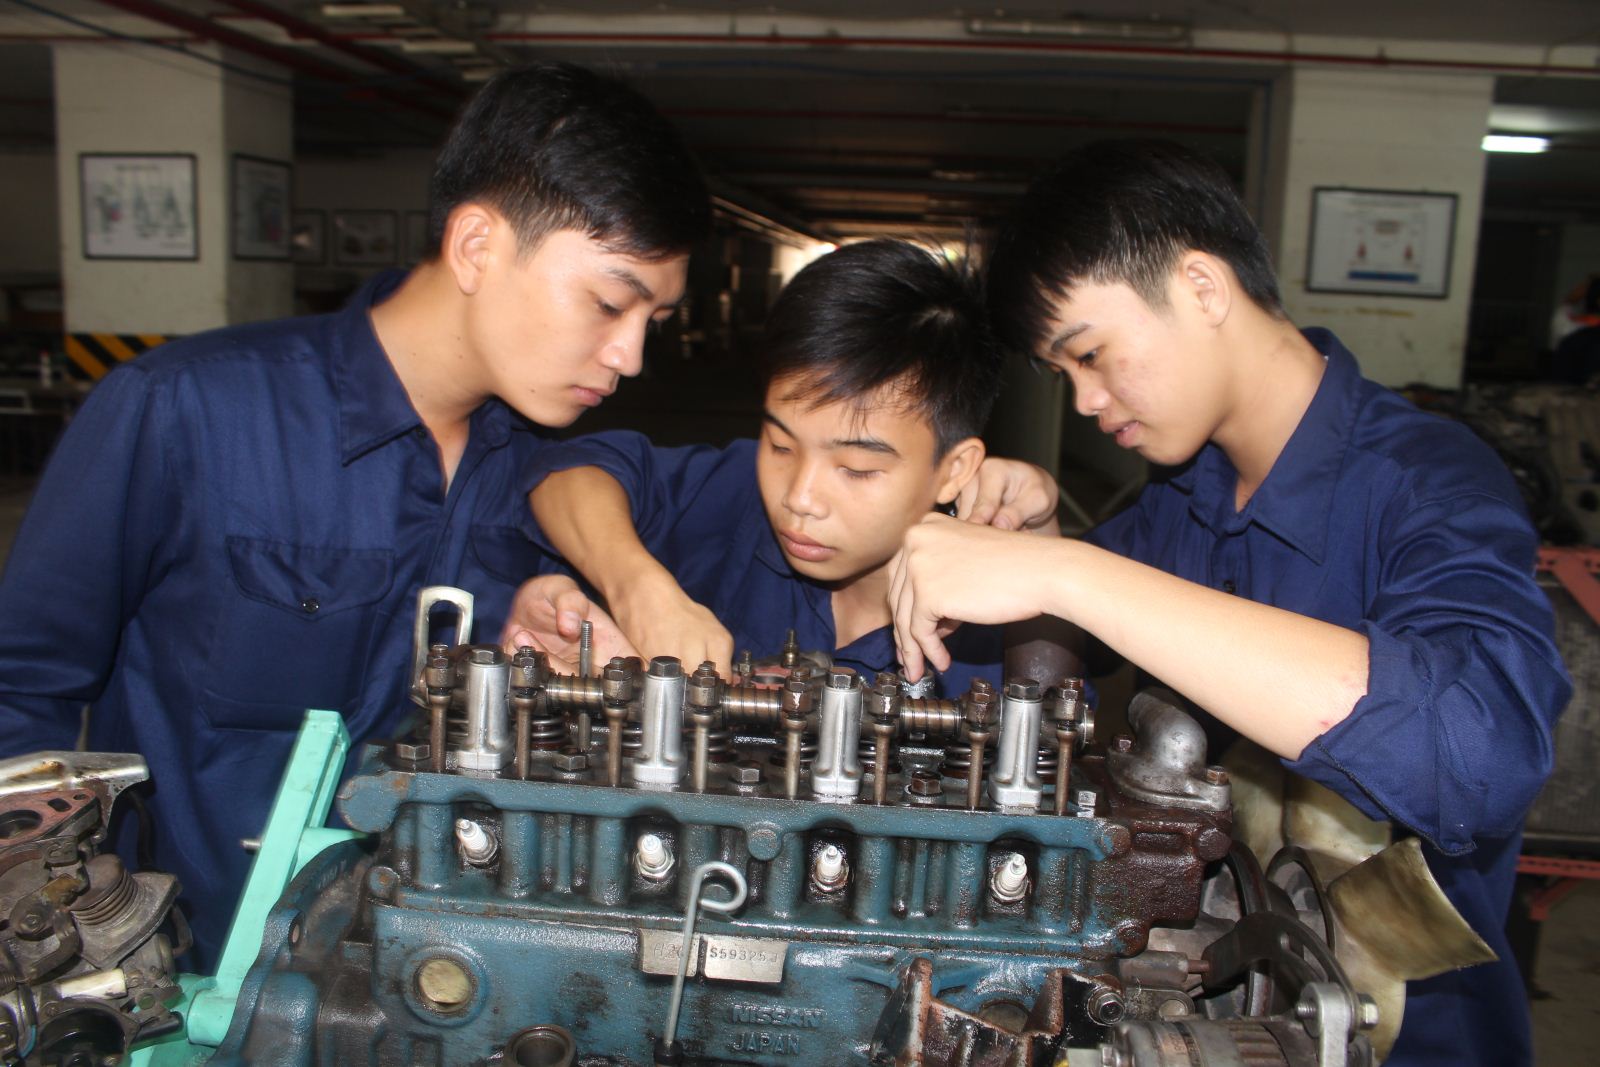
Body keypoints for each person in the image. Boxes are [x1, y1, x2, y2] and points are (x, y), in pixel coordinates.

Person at [0, 62, 706, 966]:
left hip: (439, 979)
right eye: (609, 302)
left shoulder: (546, 475)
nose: (632, 353)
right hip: (195, 975)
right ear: (478, 247)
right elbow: (24, 689)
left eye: (657, 317)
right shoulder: (185, 412)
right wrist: (59, 936)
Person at [886, 140, 1570, 1066]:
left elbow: (1477, 754)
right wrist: (1032, 547)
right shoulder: (1182, 503)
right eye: (1064, 374)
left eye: (1091, 354)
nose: (1085, 400)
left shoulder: (1429, 483)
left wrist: (1073, 577)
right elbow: (1047, 642)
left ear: (1203, 287)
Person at [519, 239, 1052, 691]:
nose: (799, 496)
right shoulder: (734, 494)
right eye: (780, 445)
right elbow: (568, 472)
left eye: (856, 469)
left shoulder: (996, 628)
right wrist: (638, 589)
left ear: (954, 470)